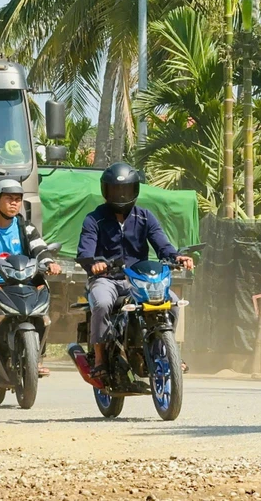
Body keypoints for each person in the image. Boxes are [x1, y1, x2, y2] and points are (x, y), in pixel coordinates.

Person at [76, 162, 193, 389]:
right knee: (101, 303)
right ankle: (99, 358)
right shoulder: (94, 219)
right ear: (106, 191)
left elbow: (163, 245)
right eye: (115, 190)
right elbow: (85, 251)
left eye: (126, 190)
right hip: (107, 279)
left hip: (138, 278)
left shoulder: (145, 217)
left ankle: (166, 351)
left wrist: (177, 257)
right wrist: (94, 264)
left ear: (135, 190)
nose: (121, 195)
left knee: (174, 303)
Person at [0, 179, 62, 375]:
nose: (14, 203)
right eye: (9, 199)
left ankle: (37, 357)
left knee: (41, 310)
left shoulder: (26, 227)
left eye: (17, 199)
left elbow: (39, 248)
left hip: (24, 282)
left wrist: (49, 263)